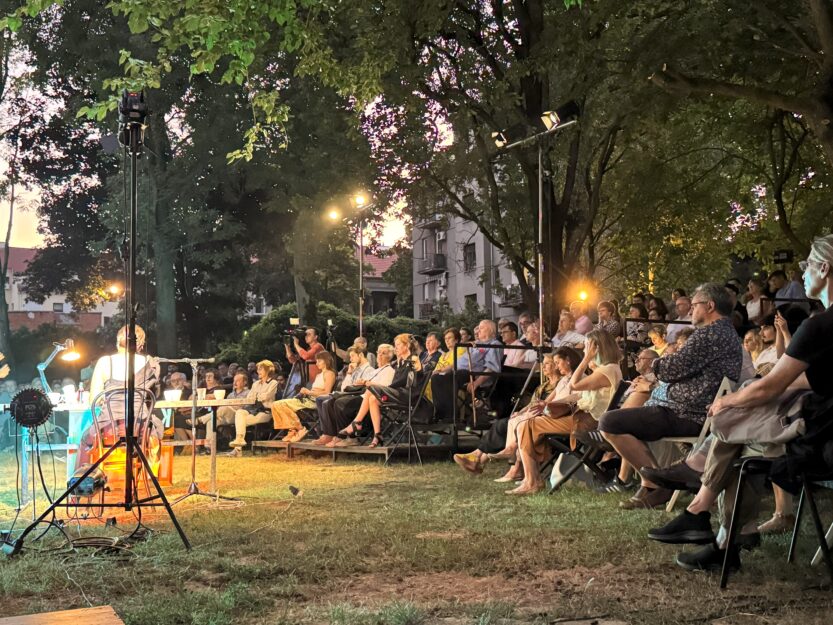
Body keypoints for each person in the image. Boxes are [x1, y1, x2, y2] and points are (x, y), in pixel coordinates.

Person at [648, 234, 833, 571]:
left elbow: (770, 388)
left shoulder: (819, 326)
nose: (803, 274)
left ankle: (704, 513)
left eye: (807, 266)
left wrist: (731, 400)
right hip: (820, 423)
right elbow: (810, 379)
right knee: (741, 425)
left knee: (733, 432)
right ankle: (713, 526)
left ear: (825, 268)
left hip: (819, 435)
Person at [599, 283, 743, 509]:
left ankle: (656, 483)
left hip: (686, 413)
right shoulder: (726, 333)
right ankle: (653, 482)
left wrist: (655, 363)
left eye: (694, 305)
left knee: (610, 422)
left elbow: (671, 368)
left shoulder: (709, 335)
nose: (691, 310)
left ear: (710, 306)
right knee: (622, 416)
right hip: (688, 408)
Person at [506, 331, 622, 495]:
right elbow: (580, 394)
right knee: (528, 424)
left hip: (587, 422)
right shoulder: (608, 369)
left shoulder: (607, 370)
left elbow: (574, 384)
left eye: (588, 347)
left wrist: (586, 359)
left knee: (528, 424)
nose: (584, 351)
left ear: (597, 348)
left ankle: (532, 480)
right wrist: (551, 403)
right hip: (586, 417)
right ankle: (531, 478)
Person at [452, 347, 583, 477]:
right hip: (543, 414)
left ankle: (485, 460)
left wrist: (537, 409)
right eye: (544, 363)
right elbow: (537, 403)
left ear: (562, 363)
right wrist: (521, 412)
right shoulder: (545, 385)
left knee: (508, 425)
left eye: (549, 363)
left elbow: (562, 402)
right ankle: (480, 459)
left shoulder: (566, 381)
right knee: (507, 423)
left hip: (554, 418)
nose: (543, 367)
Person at [334, 334, 424, 448]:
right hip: (398, 393)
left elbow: (411, 379)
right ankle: (377, 435)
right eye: (395, 345)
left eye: (398, 345)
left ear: (407, 346)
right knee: (372, 398)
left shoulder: (413, 358)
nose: (396, 348)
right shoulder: (400, 362)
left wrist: (387, 388)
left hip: (408, 395)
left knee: (372, 388)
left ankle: (356, 423)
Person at [313, 345, 387, 446]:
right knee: (326, 401)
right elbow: (344, 387)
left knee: (337, 402)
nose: (350, 359)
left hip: (360, 396)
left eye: (352, 356)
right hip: (351, 394)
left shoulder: (369, 370)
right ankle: (330, 434)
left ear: (360, 355)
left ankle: (345, 436)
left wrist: (362, 383)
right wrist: (349, 373)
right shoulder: (355, 369)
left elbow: (364, 388)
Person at [271, 351, 337, 442]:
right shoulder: (318, 375)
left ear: (326, 361)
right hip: (307, 398)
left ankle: (300, 429)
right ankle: (293, 430)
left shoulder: (330, 373)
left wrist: (309, 392)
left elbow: (327, 392)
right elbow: (315, 391)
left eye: (319, 361)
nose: (316, 363)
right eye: (316, 361)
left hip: (315, 401)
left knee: (281, 404)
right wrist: (305, 392)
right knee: (275, 405)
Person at [226, 360, 280, 455]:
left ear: (268, 370)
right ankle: (239, 442)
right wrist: (258, 396)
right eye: (258, 369)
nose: (258, 371)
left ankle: (238, 449)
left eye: (260, 369)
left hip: (265, 411)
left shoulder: (273, 383)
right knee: (239, 413)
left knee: (240, 422)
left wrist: (257, 396)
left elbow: (266, 397)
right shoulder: (255, 384)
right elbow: (249, 398)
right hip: (253, 409)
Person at [204, 371, 250, 445]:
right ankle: (209, 446)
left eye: (238, 381)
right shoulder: (231, 395)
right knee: (211, 421)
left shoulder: (248, 393)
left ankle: (203, 419)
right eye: (234, 381)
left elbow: (247, 407)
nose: (235, 383)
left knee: (225, 407)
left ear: (245, 382)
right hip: (227, 417)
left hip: (239, 416)